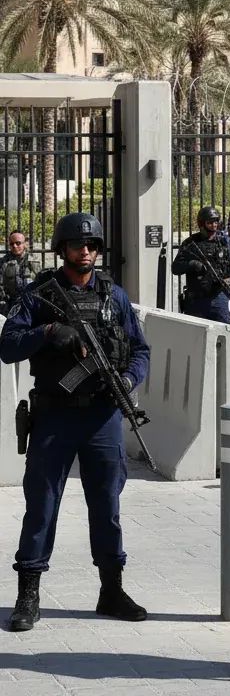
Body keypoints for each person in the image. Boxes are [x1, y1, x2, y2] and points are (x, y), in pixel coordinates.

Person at [1, 212, 150, 632]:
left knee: (107, 506)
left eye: (93, 245)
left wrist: (126, 378)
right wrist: (48, 331)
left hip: (102, 415)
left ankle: (111, 590)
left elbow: (140, 350)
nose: (86, 251)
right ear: (61, 248)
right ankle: (28, 594)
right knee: (42, 506)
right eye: (77, 244)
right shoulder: (39, 295)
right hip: (55, 416)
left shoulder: (114, 296)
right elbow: (8, 346)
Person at [171, 206, 230, 324]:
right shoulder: (191, 244)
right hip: (196, 300)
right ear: (201, 223)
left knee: (224, 335)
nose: (214, 225)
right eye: (210, 222)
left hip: (220, 297)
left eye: (216, 222)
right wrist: (193, 264)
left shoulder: (225, 242)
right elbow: (175, 268)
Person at [0, 231, 41, 316]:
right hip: (11, 305)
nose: (15, 246)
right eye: (12, 244)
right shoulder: (3, 262)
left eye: (18, 243)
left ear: (25, 243)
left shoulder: (34, 260)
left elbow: (41, 281)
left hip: (32, 303)